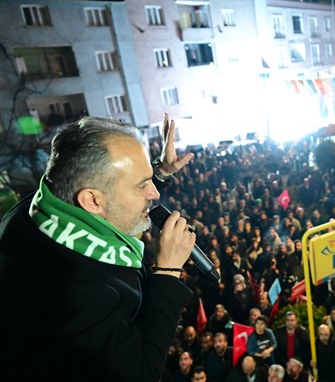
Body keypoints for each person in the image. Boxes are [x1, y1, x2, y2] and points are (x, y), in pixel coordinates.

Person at [0, 116, 196, 380]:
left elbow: (112, 201)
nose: (155, 193)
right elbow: (141, 373)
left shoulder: (36, 210)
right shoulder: (75, 296)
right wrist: (168, 271)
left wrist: (159, 172)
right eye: (142, 185)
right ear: (92, 200)